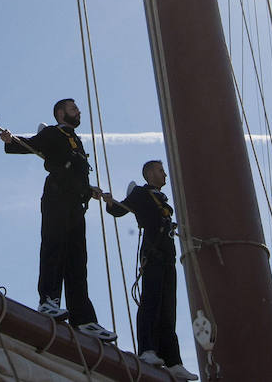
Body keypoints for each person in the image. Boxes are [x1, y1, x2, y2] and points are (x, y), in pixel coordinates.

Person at [0, 99, 117, 344]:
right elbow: (32, 144)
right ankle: (48, 300)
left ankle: (83, 317)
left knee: (77, 261)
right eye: (74, 109)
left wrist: (89, 189)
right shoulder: (53, 133)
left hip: (76, 204)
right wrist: (11, 140)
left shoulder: (75, 140)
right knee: (54, 248)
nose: (79, 111)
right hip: (57, 198)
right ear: (61, 113)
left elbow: (75, 172)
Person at [103, 161, 197, 380]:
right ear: (149, 173)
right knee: (151, 301)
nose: (165, 174)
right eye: (160, 170)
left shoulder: (162, 200)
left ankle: (173, 360)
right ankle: (147, 349)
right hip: (153, 253)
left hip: (168, 257)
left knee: (168, 307)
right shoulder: (140, 193)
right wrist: (110, 203)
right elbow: (120, 209)